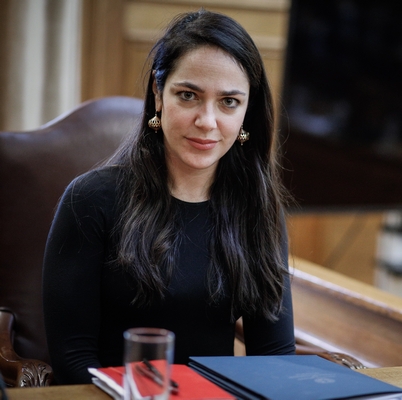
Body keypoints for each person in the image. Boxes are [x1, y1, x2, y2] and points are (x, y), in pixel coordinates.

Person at [42, 9, 296, 385]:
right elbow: (73, 360)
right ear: (159, 95)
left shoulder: (258, 209)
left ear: (247, 111)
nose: (207, 121)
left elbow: (274, 356)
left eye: (229, 102)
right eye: (188, 96)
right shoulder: (91, 200)